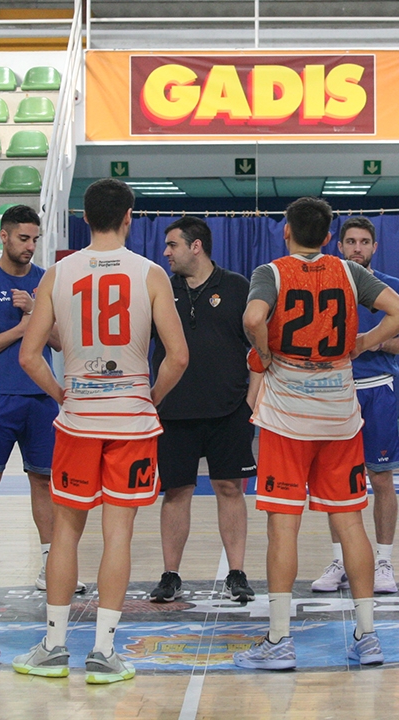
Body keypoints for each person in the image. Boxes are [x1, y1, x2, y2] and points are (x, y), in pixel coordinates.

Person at [12, 178, 189, 684]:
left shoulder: (57, 273)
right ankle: (105, 652)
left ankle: (52, 645)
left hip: (79, 420)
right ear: (129, 217)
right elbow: (177, 356)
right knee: (119, 535)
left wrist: (63, 393)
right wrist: (148, 398)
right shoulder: (151, 273)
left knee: (66, 533)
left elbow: (29, 355)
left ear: (84, 219)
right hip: (131, 420)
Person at [234, 197, 399, 671]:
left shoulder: (271, 272)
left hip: (287, 417)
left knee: (284, 524)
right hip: (339, 413)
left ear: (286, 231)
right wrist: (362, 342)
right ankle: (367, 634)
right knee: (350, 521)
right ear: (331, 236)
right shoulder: (348, 272)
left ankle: (279, 640)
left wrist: (264, 348)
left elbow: (253, 319)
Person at [0, 204, 73, 598]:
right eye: (23, 238)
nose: (30, 246)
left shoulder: (45, 282)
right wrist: (24, 329)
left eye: (35, 240)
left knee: (43, 480)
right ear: (4, 236)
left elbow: (62, 341)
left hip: (40, 397)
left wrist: (39, 318)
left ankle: (49, 564)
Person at [148, 216, 256, 605]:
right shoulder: (160, 288)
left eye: (172, 245)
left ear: (196, 247)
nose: (166, 253)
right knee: (176, 492)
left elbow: (260, 348)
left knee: (230, 488)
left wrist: (251, 402)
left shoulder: (237, 287)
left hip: (229, 411)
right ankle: (170, 575)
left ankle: (237, 573)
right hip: (173, 412)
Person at [310, 216, 399, 597]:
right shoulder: (324, 284)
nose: (357, 248)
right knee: (335, 482)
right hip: (334, 389)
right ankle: (340, 559)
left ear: (374, 247)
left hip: (375, 390)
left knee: (381, 478)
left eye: (364, 242)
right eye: (351, 241)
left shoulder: (392, 287)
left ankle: (384, 561)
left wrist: (372, 340)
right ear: (339, 246)